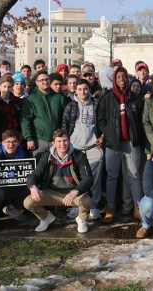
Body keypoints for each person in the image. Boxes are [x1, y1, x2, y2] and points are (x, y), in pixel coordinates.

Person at [97, 65, 145, 223]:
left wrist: (137, 136)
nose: (122, 80)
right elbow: (101, 119)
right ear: (114, 79)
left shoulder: (135, 97)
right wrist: (109, 133)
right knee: (112, 176)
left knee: (135, 175)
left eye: (124, 77)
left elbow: (141, 120)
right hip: (113, 144)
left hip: (131, 143)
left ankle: (138, 207)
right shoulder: (108, 97)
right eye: (118, 77)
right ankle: (110, 207)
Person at [23, 129, 93, 233]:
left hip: (73, 193)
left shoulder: (79, 156)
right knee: (28, 202)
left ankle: (81, 219)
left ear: (69, 141)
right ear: (53, 143)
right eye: (59, 141)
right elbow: (34, 175)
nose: (62, 144)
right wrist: (33, 187)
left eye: (65, 140)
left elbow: (88, 179)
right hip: (52, 193)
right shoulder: (46, 157)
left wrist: (75, 191)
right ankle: (46, 218)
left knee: (87, 201)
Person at [62, 79, 104, 220]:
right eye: (79, 89)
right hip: (76, 147)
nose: (82, 92)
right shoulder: (71, 106)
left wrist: (102, 136)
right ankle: (77, 205)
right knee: (77, 179)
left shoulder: (96, 104)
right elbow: (65, 125)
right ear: (75, 90)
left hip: (93, 146)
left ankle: (94, 205)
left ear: (89, 89)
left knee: (95, 179)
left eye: (85, 89)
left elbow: (103, 122)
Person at [0, 129, 30, 220]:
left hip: (15, 183)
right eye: (8, 142)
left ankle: (13, 208)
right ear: (2, 143)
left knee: (32, 187)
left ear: (19, 142)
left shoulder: (23, 154)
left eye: (14, 141)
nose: (11, 145)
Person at [20, 70, 66, 157]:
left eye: (47, 79)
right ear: (37, 83)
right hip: (39, 140)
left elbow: (66, 117)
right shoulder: (31, 99)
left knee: (56, 168)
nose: (45, 82)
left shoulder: (59, 97)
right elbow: (25, 120)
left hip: (57, 140)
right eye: (42, 80)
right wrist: (29, 138)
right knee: (40, 168)